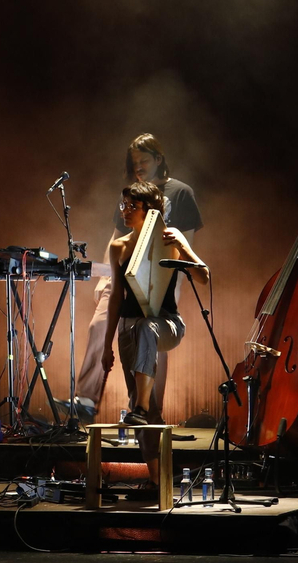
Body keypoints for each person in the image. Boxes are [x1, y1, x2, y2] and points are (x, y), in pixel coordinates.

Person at [69, 134, 201, 422]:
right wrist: (105, 278)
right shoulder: (129, 196)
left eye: (144, 160)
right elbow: (116, 239)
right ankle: (86, 400)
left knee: (150, 332)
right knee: (101, 322)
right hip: (125, 275)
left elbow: (186, 246)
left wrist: (174, 284)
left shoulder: (180, 193)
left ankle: (150, 411)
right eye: (134, 162)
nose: (138, 166)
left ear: (159, 159)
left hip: (161, 277)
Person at [102, 181, 208, 478]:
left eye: (131, 206)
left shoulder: (167, 240)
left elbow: (204, 277)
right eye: (122, 205)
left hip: (166, 324)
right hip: (129, 329)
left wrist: (184, 245)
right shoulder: (118, 247)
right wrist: (106, 345)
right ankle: (159, 480)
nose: (124, 211)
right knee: (148, 416)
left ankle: (140, 407)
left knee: (148, 329)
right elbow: (115, 298)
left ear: (149, 210)